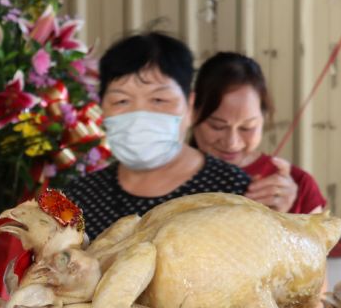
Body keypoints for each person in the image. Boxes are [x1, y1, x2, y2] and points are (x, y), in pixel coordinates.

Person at [62, 32, 252, 240]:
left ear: (189, 106)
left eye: (159, 100)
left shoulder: (234, 192)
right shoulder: (78, 199)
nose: (139, 116)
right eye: (121, 101)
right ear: (102, 109)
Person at [191, 51, 327, 214]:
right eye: (217, 126)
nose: (232, 142)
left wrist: (285, 216)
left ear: (263, 118)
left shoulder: (297, 184)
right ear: (191, 112)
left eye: (246, 127)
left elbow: (320, 240)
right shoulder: (166, 175)